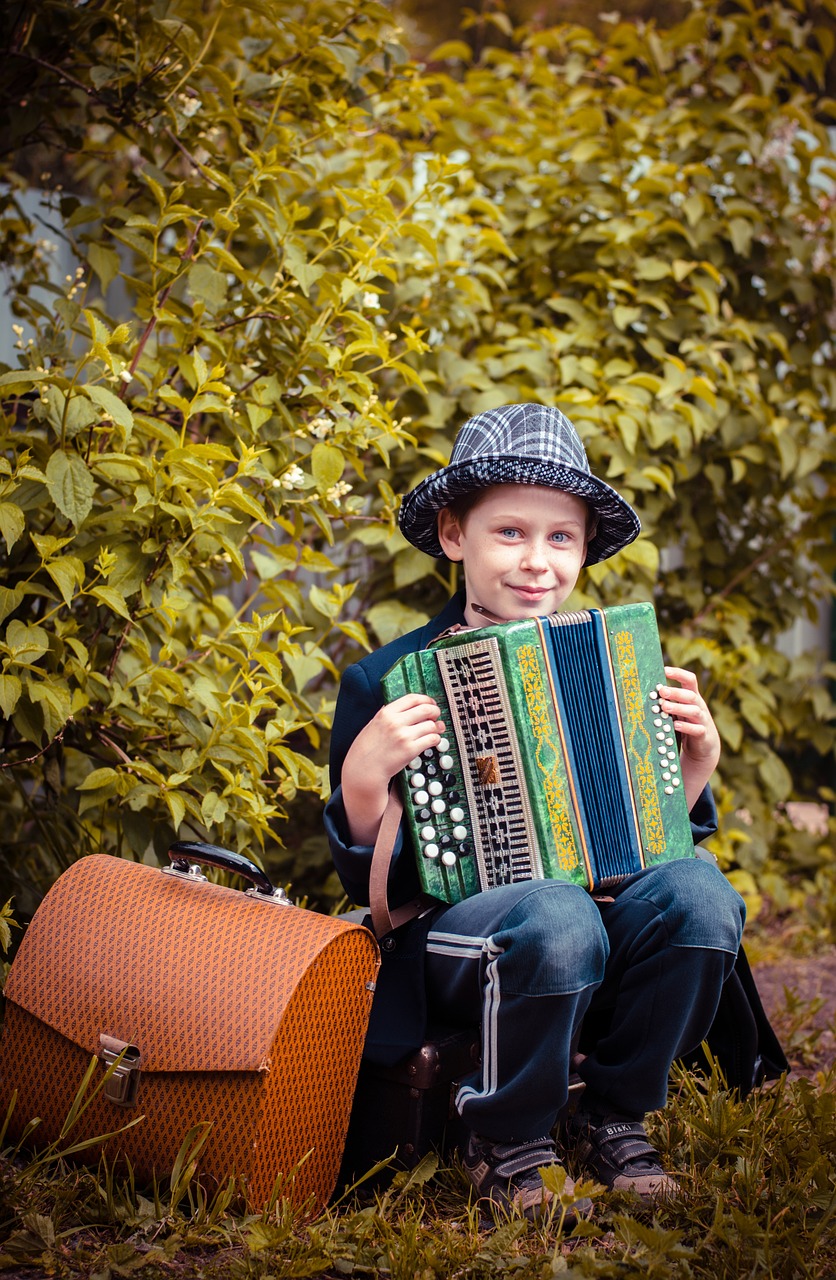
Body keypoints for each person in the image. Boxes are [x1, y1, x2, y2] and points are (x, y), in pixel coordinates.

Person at [324, 403, 747, 1220]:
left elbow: (657, 842)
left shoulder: (618, 666)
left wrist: (695, 768)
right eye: (509, 532)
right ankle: (508, 1137)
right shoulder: (390, 679)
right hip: (452, 937)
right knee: (555, 915)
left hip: (595, 920)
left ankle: (614, 1114)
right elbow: (366, 878)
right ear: (454, 536)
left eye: (562, 538)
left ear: (584, 549)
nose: (537, 561)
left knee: (702, 895)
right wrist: (365, 782)